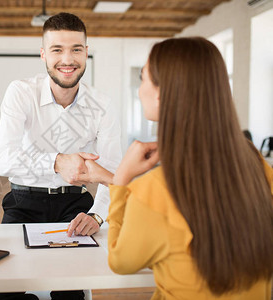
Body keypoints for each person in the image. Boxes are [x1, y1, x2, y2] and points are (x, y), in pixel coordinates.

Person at [84, 37, 273, 299]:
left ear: (161, 94)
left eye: (143, 79)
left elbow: (120, 260)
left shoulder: (153, 190)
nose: (139, 90)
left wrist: (121, 180)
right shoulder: (255, 163)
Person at [0, 12, 121, 300]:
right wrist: (57, 161)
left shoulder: (103, 105)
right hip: (23, 202)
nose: (67, 59)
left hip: (74, 205)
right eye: (57, 49)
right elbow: (2, 159)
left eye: (76, 49)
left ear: (86, 53)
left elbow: (112, 170)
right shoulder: (21, 92)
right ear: (43, 54)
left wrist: (97, 215)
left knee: (71, 295)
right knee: (2, 295)